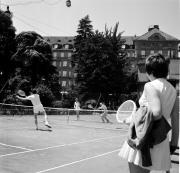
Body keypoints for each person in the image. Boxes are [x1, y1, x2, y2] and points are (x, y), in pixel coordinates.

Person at [119, 53, 179, 173]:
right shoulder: (173, 91)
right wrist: (173, 143)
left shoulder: (150, 86)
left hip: (144, 139)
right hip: (160, 140)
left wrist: (133, 119)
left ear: (150, 71)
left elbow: (156, 113)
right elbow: (175, 119)